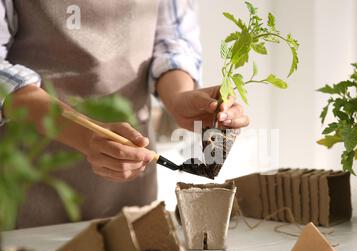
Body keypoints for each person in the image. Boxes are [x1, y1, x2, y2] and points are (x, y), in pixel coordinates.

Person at [0, 0, 250, 228]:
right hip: (27, 178)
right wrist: (85, 135)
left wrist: (180, 98)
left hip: (130, 187)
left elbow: (173, 41)